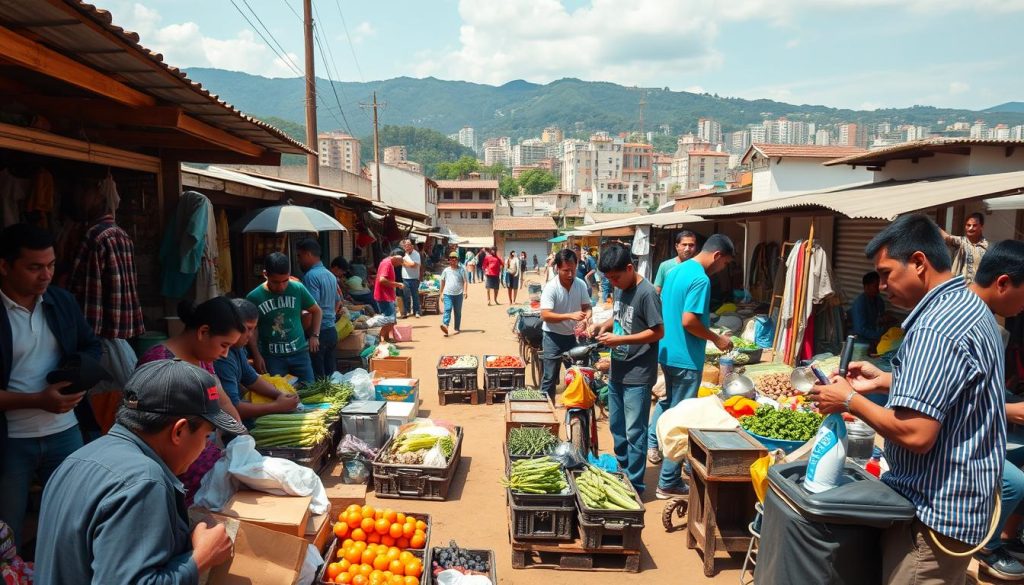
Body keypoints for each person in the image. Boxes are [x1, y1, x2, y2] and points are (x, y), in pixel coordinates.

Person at [809, 215, 1004, 585]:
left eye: (886, 273)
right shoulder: (967, 306)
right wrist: (885, 379)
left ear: (918, 262)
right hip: (957, 501)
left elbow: (916, 433)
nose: (881, 285)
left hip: (934, 514)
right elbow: (953, 385)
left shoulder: (935, 327)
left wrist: (849, 399)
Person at [34, 360, 244, 584]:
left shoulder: (78, 457)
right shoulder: (144, 482)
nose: (205, 447)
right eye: (206, 436)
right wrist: (201, 558)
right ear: (179, 431)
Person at [0, 223, 101, 548]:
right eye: (34, 267)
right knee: (7, 533)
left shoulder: (61, 301)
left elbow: (90, 346)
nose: (45, 275)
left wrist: (77, 375)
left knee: (71, 523)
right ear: (4, 266)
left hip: (65, 433)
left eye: (51, 265)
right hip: (10, 442)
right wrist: (37, 400)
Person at [137, 297, 246, 502]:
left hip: (204, 461)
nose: (225, 354)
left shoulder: (203, 360)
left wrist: (242, 439)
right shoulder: (159, 364)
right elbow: (154, 436)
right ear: (203, 332)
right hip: (175, 473)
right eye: (224, 345)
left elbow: (222, 402)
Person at [654, 234, 735, 499]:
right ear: (717, 256)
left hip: (667, 350)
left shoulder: (676, 270)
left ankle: (653, 445)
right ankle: (668, 481)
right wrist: (717, 338)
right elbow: (689, 321)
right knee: (684, 418)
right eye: (725, 264)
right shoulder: (700, 279)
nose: (722, 269)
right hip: (686, 358)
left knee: (669, 406)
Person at [68, 177, 144, 434]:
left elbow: (75, 286)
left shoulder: (93, 235)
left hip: (98, 334)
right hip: (118, 335)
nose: (78, 199)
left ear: (97, 194)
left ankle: (113, 439)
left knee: (108, 397)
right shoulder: (121, 234)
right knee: (127, 392)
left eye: (82, 192)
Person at [967, 240, 1024, 580]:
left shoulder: (991, 323)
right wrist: (1009, 411)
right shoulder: (968, 322)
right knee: (1015, 482)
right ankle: (986, 546)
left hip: (985, 429)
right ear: (1003, 283)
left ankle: (1005, 534)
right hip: (960, 441)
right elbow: (954, 397)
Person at [589, 244, 663, 494]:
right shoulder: (621, 288)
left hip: (638, 374)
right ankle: (623, 470)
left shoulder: (647, 293)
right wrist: (602, 326)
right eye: (608, 278)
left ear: (630, 268)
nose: (613, 283)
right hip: (618, 369)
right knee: (616, 426)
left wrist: (619, 340)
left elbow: (658, 332)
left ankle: (636, 484)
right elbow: (620, 316)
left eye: (616, 277)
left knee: (635, 431)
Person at [214, 299, 301, 424]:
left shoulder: (238, 349)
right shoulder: (221, 359)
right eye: (248, 328)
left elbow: (251, 378)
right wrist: (277, 406)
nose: (250, 335)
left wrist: (279, 395)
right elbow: (232, 408)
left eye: (253, 329)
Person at [246, 253, 321, 385]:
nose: (281, 287)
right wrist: (256, 355)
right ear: (265, 274)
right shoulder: (254, 297)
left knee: (310, 391)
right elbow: (253, 329)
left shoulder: (297, 288)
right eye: (275, 282)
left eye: (285, 281)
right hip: (272, 358)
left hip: (300, 353)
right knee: (279, 394)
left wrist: (314, 335)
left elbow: (316, 311)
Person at [539, 249, 593, 402]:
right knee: (550, 377)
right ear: (557, 268)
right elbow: (545, 315)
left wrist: (585, 319)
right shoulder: (551, 287)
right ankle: (547, 408)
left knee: (578, 372)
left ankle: (576, 406)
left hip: (571, 337)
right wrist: (570, 315)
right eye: (566, 270)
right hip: (552, 337)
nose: (570, 274)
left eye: (573, 270)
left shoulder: (581, 285)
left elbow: (587, 307)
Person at [297, 239, 340, 379]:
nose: (299, 260)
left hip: (318, 333)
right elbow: (338, 302)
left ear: (308, 254)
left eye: (300, 256)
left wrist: (312, 334)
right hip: (331, 330)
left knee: (318, 379)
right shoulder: (330, 275)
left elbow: (311, 308)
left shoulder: (310, 276)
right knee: (330, 376)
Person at [941, 212, 989, 284]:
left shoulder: (987, 247)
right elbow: (947, 237)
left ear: (981, 227)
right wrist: (931, 225)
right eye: (968, 225)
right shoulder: (961, 242)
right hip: (960, 288)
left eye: (974, 225)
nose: (970, 228)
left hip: (978, 290)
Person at [374, 249, 406, 343]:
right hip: (384, 296)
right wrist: (397, 284)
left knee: (390, 318)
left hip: (387, 295)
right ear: (396, 257)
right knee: (390, 319)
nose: (400, 264)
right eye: (401, 261)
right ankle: (382, 339)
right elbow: (382, 280)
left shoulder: (388, 263)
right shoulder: (387, 264)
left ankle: (386, 338)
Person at [850, 271, 887, 350]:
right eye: (875, 286)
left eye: (879, 285)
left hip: (876, 340)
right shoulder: (860, 303)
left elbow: (880, 318)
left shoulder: (879, 300)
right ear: (866, 287)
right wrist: (878, 336)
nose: (879, 288)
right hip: (861, 342)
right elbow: (859, 329)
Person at [653, 230, 698, 295]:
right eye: (684, 245)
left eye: (691, 245)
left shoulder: (697, 267)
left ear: (695, 247)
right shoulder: (665, 266)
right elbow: (657, 290)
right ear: (677, 246)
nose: (687, 248)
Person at [439, 252, 469, 337]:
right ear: (449, 260)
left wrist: (465, 291)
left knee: (457, 312)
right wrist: (441, 293)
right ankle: (445, 325)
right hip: (447, 294)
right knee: (447, 309)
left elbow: (465, 281)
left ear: (457, 260)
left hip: (458, 294)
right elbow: (442, 281)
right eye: (452, 258)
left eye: (455, 258)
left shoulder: (461, 270)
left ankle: (456, 328)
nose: (453, 260)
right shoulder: (446, 270)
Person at [399, 239, 422, 319]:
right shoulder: (403, 254)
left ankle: (417, 311)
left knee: (415, 296)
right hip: (405, 278)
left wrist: (403, 262)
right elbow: (400, 262)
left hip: (414, 278)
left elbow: (414, 265)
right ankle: (407, 311)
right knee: (406, 296)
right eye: (405, 244)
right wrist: (406, 263)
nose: (406, 246)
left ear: (412, 246)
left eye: (408, 244)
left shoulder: (416, 254)